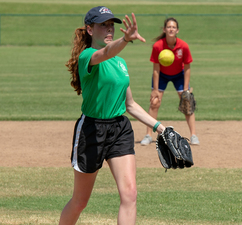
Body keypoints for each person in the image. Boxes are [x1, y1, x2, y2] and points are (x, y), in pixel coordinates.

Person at [59, 6, 166, 225]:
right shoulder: (87, 56)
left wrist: (162, 129)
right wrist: (126, 40)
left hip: (120, 129)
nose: (109, 29)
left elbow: (130, 104)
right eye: (103, 25)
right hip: (92, 130)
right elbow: (105, 53)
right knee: (80, 201)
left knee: (130, 195)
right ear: (90, 29)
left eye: (111, 25)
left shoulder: (120, 63)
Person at [140, 17, 199, 146]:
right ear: (164, 29)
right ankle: (148, 135)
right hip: (162, 75)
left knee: (187, 102)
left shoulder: (183, 46)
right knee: (155, 102)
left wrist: (185, 89)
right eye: (168, 27)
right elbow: (156, 69)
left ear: (177, 30)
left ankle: (193, 135)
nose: (171, 29)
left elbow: (187, 68)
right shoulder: (158, 46)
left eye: (173, 27)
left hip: (179, 75)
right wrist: (155, 90)